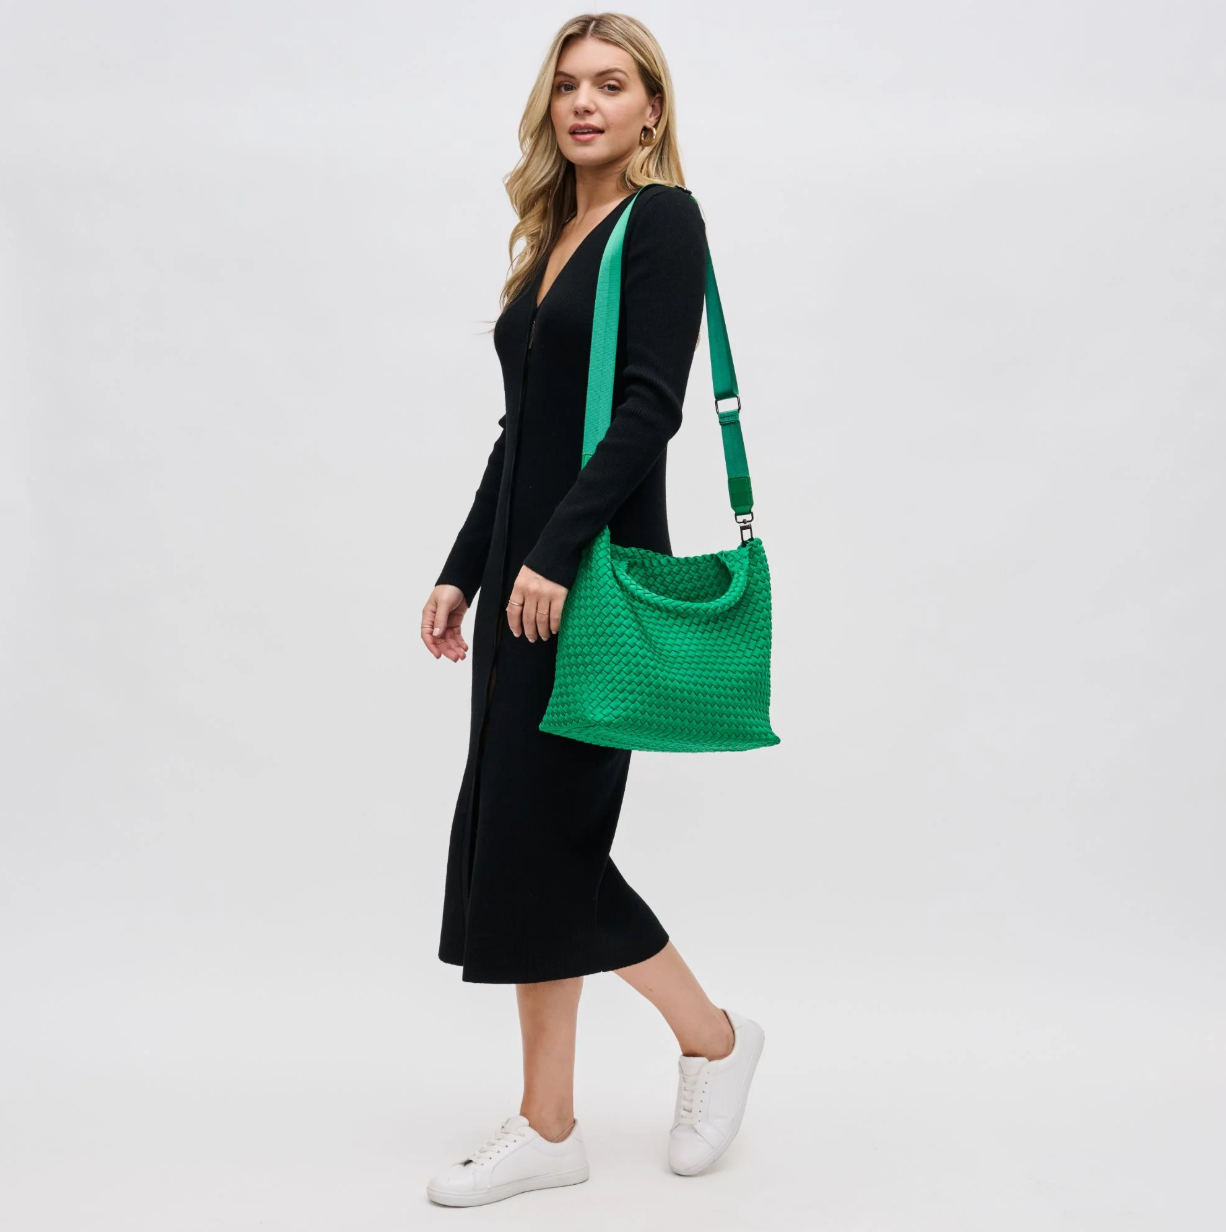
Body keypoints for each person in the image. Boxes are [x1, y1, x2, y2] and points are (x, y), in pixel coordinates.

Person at [420, 14, 764, 1208]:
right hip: (523, 578)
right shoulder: (550, 237)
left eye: (611, 85)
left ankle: (710, 1038)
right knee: (518, 841)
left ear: (649, 109)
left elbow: (647, 410)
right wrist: (465, 566)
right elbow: (520, 433)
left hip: (585, 578)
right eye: (567, 84)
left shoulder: (659, 221)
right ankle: (551, 1123)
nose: (584, 103)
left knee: (544, 845)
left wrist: (556, 553)